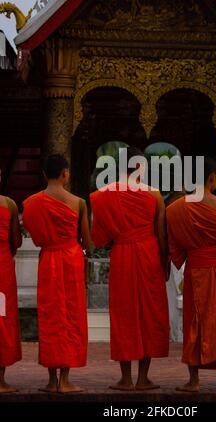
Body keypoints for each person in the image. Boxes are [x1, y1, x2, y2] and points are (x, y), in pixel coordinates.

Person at [90, 146, 169, 391]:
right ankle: (143, 377)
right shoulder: (154, 195)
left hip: (122, 255)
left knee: (123, 313)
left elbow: (99, 238)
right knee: (149, 312)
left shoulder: (104, 194)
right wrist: (165, 262)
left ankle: (125, 378)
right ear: (140, 167)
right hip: (149, 255)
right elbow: (162, 233)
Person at [166, 157, 216, 393]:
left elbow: (173, 242)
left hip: (195, 269)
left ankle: (193, 380)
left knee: (194, 320)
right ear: (212, 177)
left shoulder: (175, 208)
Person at [22, 154, 92, 393]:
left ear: (44, 174)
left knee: (51, 316)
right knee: (71, 315)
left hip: (48, 259)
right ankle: (66, 379)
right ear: (65, 173)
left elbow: (34, 233)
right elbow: (88, 241)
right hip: (71, 258)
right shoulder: (78, 203)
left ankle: (52, 380)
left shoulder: (31, 202)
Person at [0, 169, 22, 393]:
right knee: (1, 319)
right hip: (2, 268)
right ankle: (0, 379)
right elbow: (16, 241)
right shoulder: (9, 204)